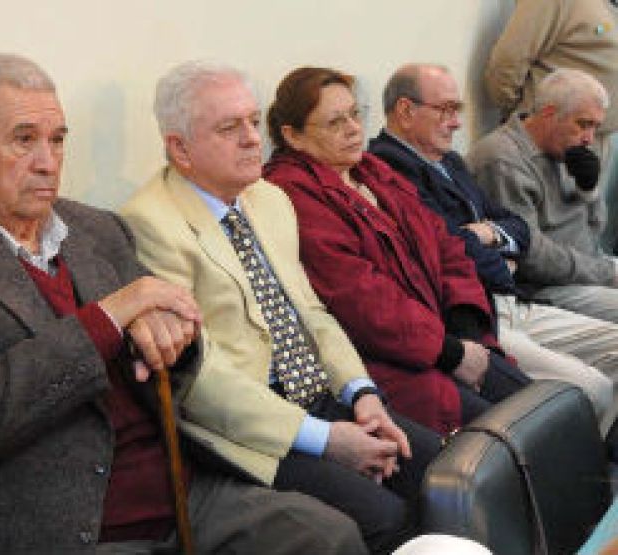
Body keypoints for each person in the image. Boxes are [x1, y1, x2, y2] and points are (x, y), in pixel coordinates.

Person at [0, 52, 365, 554]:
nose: (47, 162)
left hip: (182, 487)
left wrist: (172, 340)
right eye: (23, 140)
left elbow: (180, 354)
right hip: (64, 520)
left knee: (330, 535)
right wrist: (106, 319)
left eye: (57, 140)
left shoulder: (96, 229)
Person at [119, 60, 441, 555]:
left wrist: (362, 395)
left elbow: (312, 313)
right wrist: (327, 439)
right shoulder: (149, 223)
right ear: (179, 148)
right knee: (383, 516)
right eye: (230, 128)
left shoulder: (268, 199)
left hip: (317, 394)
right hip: (248, 429)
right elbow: (200, 378)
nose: (253, 139)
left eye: (252, 121)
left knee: (438, 468)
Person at [262, 66, 530, 438]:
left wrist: (466, 329)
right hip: (391, 364)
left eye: (355, 114)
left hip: (449, 337)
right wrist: (450, 352)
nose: (354, 128)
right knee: (505, 440)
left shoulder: (371, 170)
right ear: (293, 136)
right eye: (335, 122)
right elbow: (361, 298)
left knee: (542, 412)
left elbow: (447, 245)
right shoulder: (290, 193)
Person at [369, 63, 618, 426]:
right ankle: (568, 476)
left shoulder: (449, 161)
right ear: (406, 111)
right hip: (482, 313)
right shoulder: (389, 170)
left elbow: (518, 229)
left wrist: (492, 235)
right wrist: (501, 255)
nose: (456, 123)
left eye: (458, 110)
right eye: (446, 110)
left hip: (509, 299)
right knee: (591, 388)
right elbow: (453, 250)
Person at [466, 68, 618, 327]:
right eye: (583, 124)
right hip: (544, 289)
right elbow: (532, 259)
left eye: (595, 127)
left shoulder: (564, 148)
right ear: (549, 114)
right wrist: (606, 273)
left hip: (587, 269)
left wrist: (588, 189)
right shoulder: (503, 160)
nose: (589, 139)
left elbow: (594, 233)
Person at [485, 0, 618, 252]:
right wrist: (527, 115)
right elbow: (507, 62)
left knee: (588, 235)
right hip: (550, 140)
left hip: (593, 141)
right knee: (551, 245)